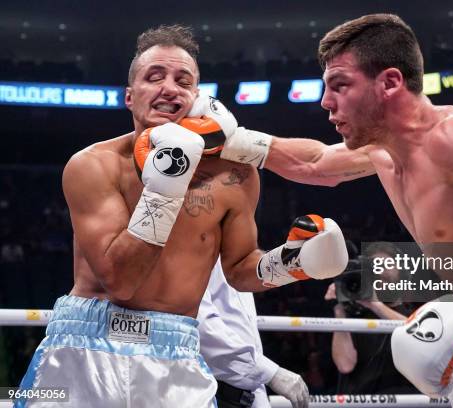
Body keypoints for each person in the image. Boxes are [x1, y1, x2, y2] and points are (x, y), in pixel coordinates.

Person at [202, 14, 453, 407]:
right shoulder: (380, 152)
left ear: (391, 82)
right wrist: (233, 139)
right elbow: (312, 163)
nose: (326, 102)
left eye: (340, 85)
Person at [15, 25, 348, 407]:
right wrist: (167, 182)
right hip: (82, 350)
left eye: (182, 80)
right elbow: (121, 283)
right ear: (130, 96)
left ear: (198, 98)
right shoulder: (92, 166)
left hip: (175, 355)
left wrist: (293, 263)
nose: (169, 87)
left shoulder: (235, 175)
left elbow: (239, 269)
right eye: (153, 77)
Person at [197, 258, 309, 408]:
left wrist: (260, 399)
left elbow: (248, 337)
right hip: (206, 392)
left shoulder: (237, 262)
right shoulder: (196, 247)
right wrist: (270, 373)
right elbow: (201, 327)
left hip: (242, 396)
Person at [324, 244, 419, 394]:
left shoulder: (417, 315)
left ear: (401, 273)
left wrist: (375, 305)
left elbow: (416, 333)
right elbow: (345, 365)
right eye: (374, 267)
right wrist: (340, 308)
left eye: (385, 265)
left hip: (404, 400)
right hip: (360, 402)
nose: (379, 271)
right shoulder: (352, 317)